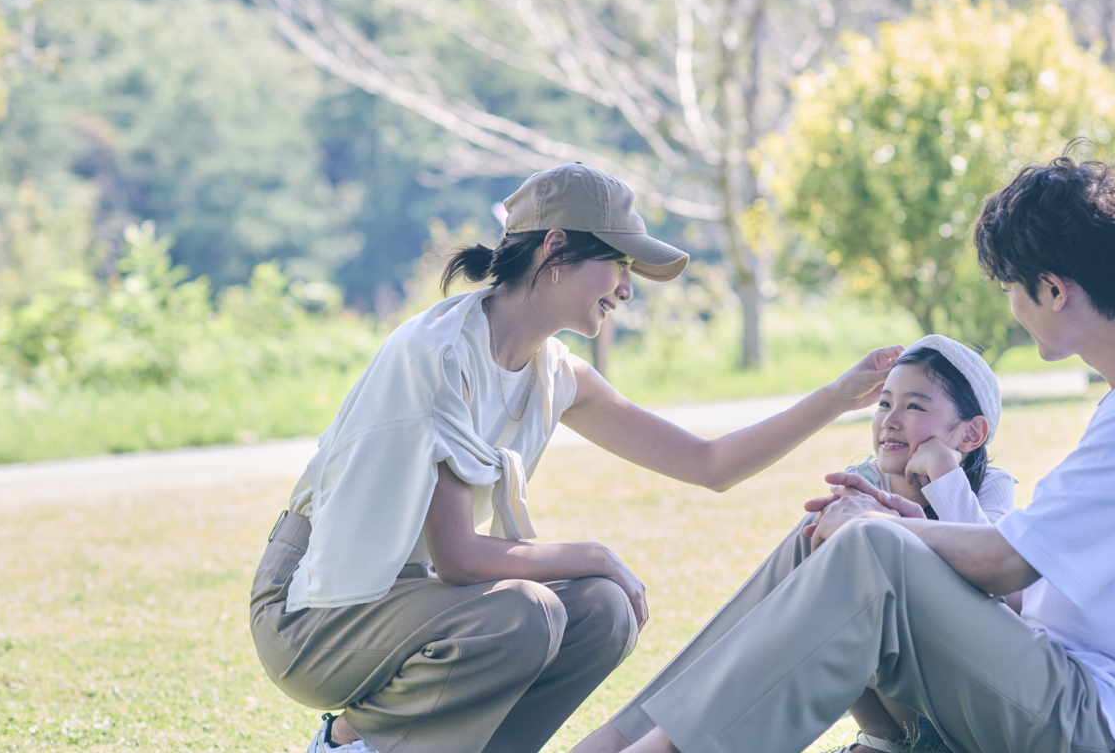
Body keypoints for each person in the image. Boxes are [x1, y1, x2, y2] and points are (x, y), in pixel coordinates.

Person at [582, 150, 1115, 753]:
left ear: (1054, 290)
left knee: (868, 548)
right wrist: (909, 527)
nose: (1013, 307)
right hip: (1075, 684)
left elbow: (1008, 564)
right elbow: (1035, 580)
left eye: (1013, 289)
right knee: (824, 538)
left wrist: (887, 531)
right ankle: (616, 742)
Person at [247, 162, 903, 753]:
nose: (627, 289)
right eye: (620, 265)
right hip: (316, 611)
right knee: (530, 613)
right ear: (556, 249)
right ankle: (347, 743)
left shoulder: (554, 373)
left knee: (603, 614)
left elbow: (709, 464)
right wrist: (593, 554)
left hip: (412, 606)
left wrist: (838, 396)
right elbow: (461, 557)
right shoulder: (442, 356)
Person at [572, 335, 1015, 753]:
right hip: (898, 720)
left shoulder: (990, 488)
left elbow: (1002, 593)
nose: (890, 420)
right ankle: (632, 736)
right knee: (821, 534)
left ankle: (632, 739)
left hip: (967, 716)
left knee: (860, 548)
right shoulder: (867, 481)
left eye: (914, 405)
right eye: (884, 403)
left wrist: (945, 476)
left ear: (972, 434)